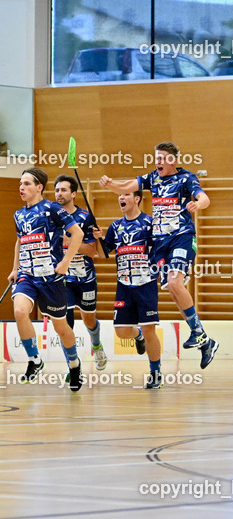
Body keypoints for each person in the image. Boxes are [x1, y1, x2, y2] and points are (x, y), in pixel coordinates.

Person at [100, 142, 218, 367]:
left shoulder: (186, 178)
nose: (158, 162)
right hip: (161, 243)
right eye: (156, 158)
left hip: (181, 236)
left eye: (163, 158)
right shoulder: (153, 178)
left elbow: (204, 198)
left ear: (173, 160)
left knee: (174, 281)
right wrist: (110, 184)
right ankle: (203, 339)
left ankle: (199, 333)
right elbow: (126, 185)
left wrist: (198, 204)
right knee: (173, 289)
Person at [8, 167, 85, 391]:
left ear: (39, 187)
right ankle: (35, 360)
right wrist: (15, 268)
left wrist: (66, 262)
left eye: (27, 184)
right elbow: (20, 241)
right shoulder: (19, 214)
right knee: (20, 311)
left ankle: (74, 365)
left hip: (51, 278)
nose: (22, 188)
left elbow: (78, 234)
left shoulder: (53, 208)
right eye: (21, 184)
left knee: (61, 327)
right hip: (27, 275)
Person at [99, 191, 162, 388]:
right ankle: (138, 335)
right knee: (121, 331)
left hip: (146, 284)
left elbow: (161, 250)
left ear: (137, 199)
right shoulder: (116, 226)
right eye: (119, 195)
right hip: (124, 285)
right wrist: (99, 238)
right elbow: (103, 254)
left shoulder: (150, 223)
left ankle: (155, 373)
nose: (121, 198)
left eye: (126, 194)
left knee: (150, 328)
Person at [53, 174, 107, 371]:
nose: (59, 193)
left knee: (89, 319)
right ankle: (72, 366)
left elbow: (93, 251)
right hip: (62, 278)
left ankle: (97, 344)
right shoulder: (52, 216)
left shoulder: (85, 217)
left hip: (85, 278)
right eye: (57, 190)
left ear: (73, 193)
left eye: (64, 190)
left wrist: (70, 243)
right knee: (65, 324)